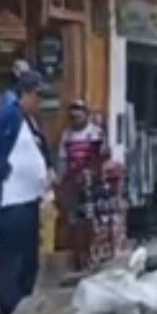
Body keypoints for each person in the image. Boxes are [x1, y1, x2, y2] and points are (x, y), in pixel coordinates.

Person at [0, 69, 52, 314]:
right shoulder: (9, 115)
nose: (40, 102)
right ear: (25, 93)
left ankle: (23, 305)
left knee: (29, 258)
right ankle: (7, 310)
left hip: (30, 201)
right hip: (11, 202)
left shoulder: (30, 121)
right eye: (37, 95)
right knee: (12, 259)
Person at [56, 100, 106, 272]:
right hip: (72, 184)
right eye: (73, 114)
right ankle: (78, 258)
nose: (76, 117)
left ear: (86, 113)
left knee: (91, 221)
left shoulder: (95, 133)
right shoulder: (67, 135)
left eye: (79, 112)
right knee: (74, 221)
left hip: (91, 184)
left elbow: (104, 156)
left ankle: (92, 255)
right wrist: (61, 181)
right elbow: (62, 160)